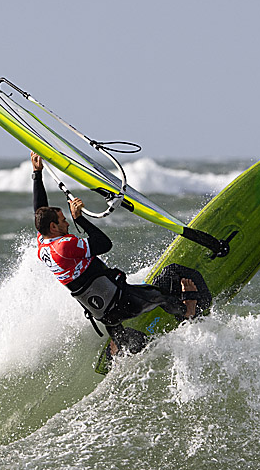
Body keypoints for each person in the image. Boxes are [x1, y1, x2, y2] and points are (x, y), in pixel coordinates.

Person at [30, 152, 198, 355]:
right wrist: (80, 218)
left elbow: (40, 209)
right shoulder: (64, 246)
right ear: (53, 227)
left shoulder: (43, 243)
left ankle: (118, 343)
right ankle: (187, 311)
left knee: (116, 324)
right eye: (63, 220)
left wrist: (37, 174)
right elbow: (104, 244)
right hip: (121, 302)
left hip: (102, 314)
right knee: (160, 296)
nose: (67, 223)